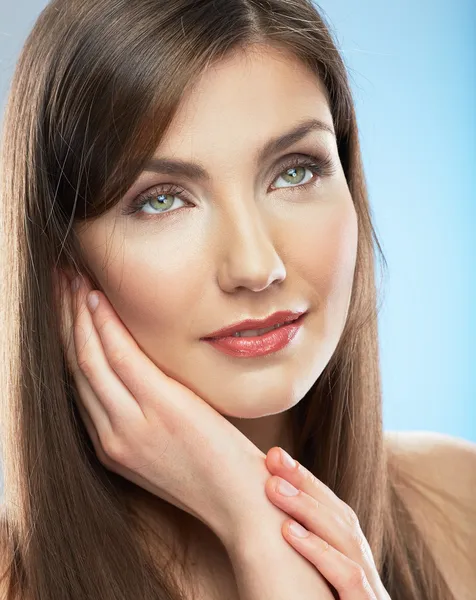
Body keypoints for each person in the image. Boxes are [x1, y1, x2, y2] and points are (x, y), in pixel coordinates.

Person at [0, 0, 474, 598]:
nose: (257, 266)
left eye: (295, 171)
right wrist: (250, 520)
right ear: (63, 262)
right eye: (162, 199)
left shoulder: (461, 505)